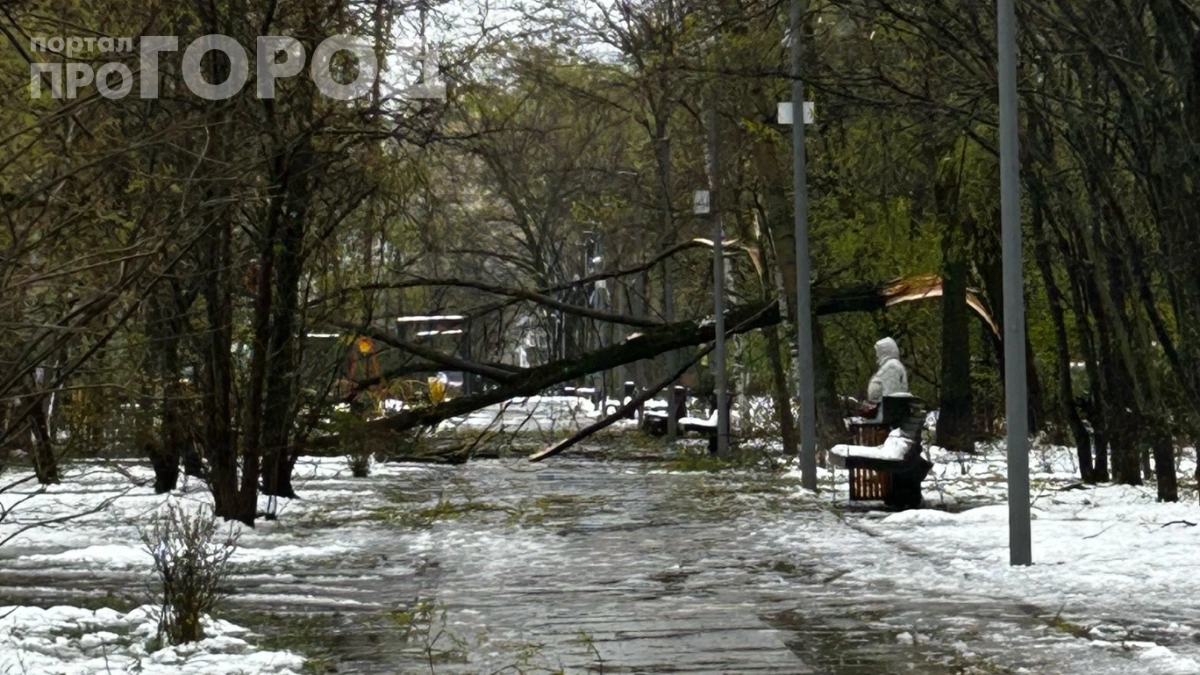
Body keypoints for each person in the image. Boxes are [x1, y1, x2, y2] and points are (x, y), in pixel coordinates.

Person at [860, 337, 909, 417]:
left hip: (884, 416)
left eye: (878, 352)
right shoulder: (890, 365)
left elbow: (891, 395)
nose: (876, 355)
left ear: (885, 351)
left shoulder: (892, 367)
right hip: (881, 412)